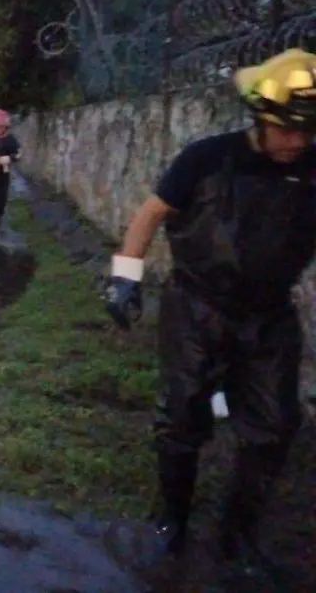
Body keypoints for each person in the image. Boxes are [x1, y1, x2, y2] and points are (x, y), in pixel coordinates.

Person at [104, 48, 316, 584]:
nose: (297, 142)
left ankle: (238, 532)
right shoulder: (207, 158)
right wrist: (124, 278)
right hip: (197, 307)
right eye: (288, 130)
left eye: (308, 132)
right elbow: (151, 213)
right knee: (182, 416)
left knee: (274, 428)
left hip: (269, 316)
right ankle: (171, 519)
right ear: (261, 118)